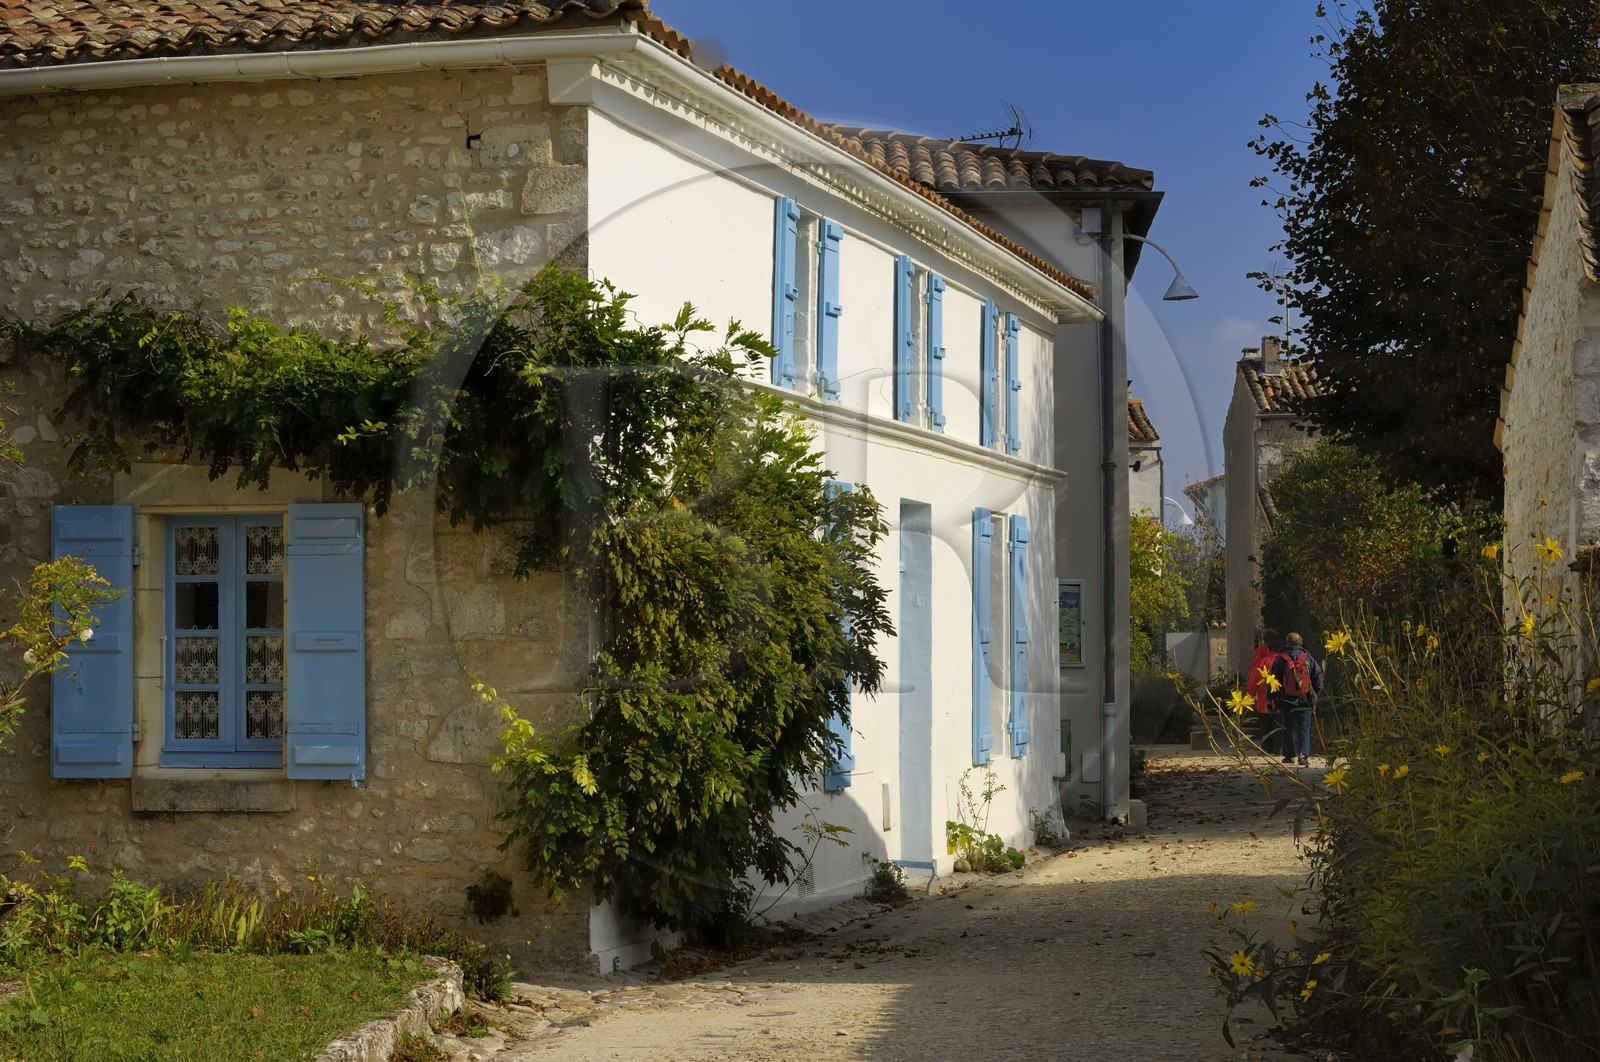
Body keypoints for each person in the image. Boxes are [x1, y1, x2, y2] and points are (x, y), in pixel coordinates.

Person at [1270, 632, 1324, 766]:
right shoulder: (1308, 658)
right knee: (1303, 728)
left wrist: (1271, 698)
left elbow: (1272, 680)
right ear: (1301, 643)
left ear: (1287, 643)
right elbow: (1318, 677)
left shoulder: (1280, 658)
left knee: (1287, 727)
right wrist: (1314, 696)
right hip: (1305, 699)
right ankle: (1303, 755)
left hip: (1286, 699)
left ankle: (1289, 755)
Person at [1244, 628, 1281, 748]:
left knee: (1265, 726)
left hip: (1264, 698)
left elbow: (1255, 677)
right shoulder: (1283, 659)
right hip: (1281, 699)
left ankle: (1266, 748)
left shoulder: (1263, 657)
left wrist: (1249, 694)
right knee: (1279, 725)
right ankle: (1279, 748)